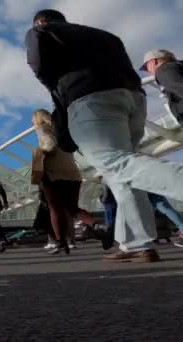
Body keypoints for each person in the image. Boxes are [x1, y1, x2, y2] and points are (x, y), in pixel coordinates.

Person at [25, 9, 183, 263]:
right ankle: (137, 244)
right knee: (121, 174)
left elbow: (38, 63)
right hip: (133, 98)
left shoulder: (42, 31)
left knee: (115, 162)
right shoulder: (106, 36)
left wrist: (52, 84)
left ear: (41, 22)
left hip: (89, 99)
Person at [32, 109, 87, 255]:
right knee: (72, 209)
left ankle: (60, 242)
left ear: (37, 119)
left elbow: (50, 146)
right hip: (73, 173)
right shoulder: (63, 129)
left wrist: (40, 151)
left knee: (55, 209)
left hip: (54, 174)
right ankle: (95, 225)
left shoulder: (43, 128)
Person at [139, 49, 183, 123]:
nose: (148, 71)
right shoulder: (177, 66)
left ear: (154, 62)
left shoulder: (163, 70)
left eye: (146, 67)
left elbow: (180, 88)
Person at [100, 181, 117, 250]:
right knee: (112, 219)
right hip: (111, 198)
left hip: (109, 199)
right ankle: (113, 238)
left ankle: (112, 238)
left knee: (110, 221)